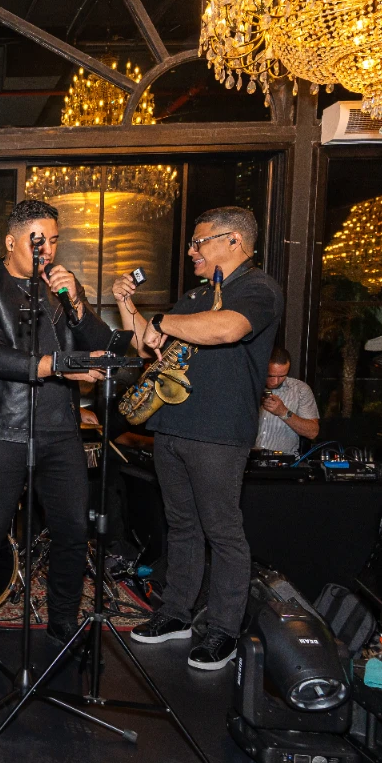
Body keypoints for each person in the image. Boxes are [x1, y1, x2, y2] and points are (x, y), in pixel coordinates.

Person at [114, 206, 282, 671]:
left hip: (219, 432)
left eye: (198, 241)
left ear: (234, 241)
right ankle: (176, 614)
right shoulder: (196, 295)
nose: (191, 251)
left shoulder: (258, 288)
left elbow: (228, 328)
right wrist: (127, 305)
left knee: (222, 532)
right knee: (182, 527)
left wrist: (162, 321)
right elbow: (148, 343)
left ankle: (224, 631)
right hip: (172, 426)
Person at [0, 199, 114, 670]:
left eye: (54, 240)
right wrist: (58, 365)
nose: (48, 250)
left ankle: (63, 622)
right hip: (2, 429)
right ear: (12, 241)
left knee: (72, 532)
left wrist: (76, 302)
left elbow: (102, 346)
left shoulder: (62, 288)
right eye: (38, 240)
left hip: (60, 429)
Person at [253, 345, 319, 455]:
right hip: (245, 459)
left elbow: (313, 432)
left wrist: (283, 412)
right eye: (270, 376)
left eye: (281, 376)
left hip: (284, 460)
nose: (275, 381)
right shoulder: (248, 386)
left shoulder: (300, 389)